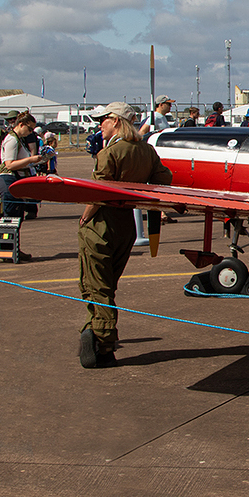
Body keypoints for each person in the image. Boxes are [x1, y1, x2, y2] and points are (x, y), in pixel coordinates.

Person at [77, 102, 172, 369]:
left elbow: (100, 190)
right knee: (106, 285)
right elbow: (165, 178)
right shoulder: (146, 150)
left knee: (96, 287)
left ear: (117, 122)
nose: (100, 125)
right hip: (126, 228)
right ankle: (94, 329)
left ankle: (103, 344)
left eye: (104, 120)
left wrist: (85, 217)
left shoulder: (110, 153)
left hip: (101, 226)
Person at [0, 113, 49, 258]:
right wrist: (30, 159)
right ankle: (7, 250)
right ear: (21, 125)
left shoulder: (18, 140)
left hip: (14, 180)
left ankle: (10, 249)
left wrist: (35, 161)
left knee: (15, 218)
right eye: (30, 129)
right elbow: (9, 164)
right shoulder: (12, 140)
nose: (31, 132)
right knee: (10, 219)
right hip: (8, 180)